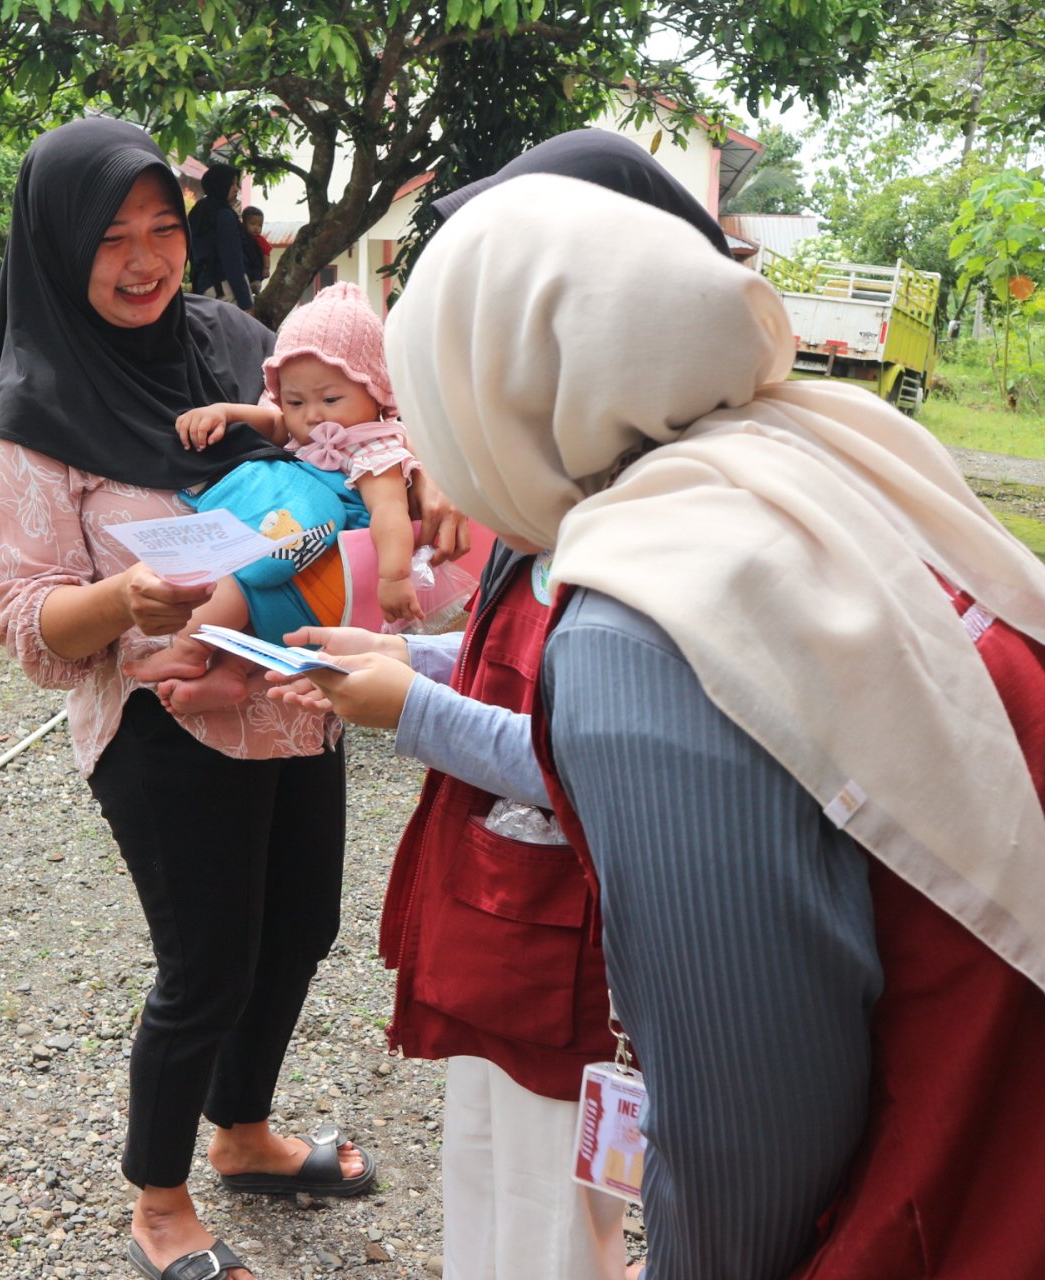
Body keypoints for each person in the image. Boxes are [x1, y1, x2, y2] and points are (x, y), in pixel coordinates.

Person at [374, 173, 1045, 1279]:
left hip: (1000, 1197)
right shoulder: (829, 458)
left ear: (489, 394)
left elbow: (751, 1116)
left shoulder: (646, 618)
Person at [262, 129, 734, 1280]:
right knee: (491, 1185)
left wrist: (406, 709)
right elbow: (496, 658)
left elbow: (603, 757)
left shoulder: (654, 513)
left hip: (573, 972)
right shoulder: (556, 478)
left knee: (550, 1220)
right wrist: (397, 658)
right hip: (506, 933)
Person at [0, 117, 388, 1280]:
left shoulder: (234, 340)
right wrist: (123, 601)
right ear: (54, 248)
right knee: (207, 963)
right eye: (111, 239)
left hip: (295, 686)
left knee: (301, 927)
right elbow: (19, 613)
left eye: (163, 230)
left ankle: (244, 1132)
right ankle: (159, 1199)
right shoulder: (31, 411)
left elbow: (338, 428)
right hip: (161, 717)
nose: (145, 260)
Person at [129, 282, 424, 712]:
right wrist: (225, 413)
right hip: (297, 566)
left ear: (375, 391)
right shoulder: (303, 427)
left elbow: (391, 512)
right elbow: (271, 425)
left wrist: (394, 579)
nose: (312, 415)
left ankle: (188, 651)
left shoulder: (374, 448)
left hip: (327, 578)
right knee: (255, 586)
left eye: (330, 398)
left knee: (233, 578)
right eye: (295, 400)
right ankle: (232, 672)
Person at [189, 163, 254, 311]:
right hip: (225, 289)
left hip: (204, 288)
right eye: (232, 184)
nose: (236, 188)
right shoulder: (224, 214)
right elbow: (232, 261)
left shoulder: (198, 211)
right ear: (221, 184)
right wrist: (246, 304)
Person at [241, 207, 271, 287]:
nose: (256, 228)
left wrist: (266, 268)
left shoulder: (260, 240)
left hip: (257, 267)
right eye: (252, 224)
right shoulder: (241, 236)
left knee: (256, 271)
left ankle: (256, 284)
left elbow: (266, 253)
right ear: (244, 223)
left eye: (259, 225)